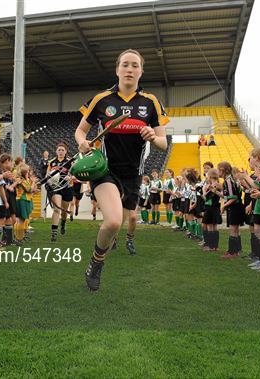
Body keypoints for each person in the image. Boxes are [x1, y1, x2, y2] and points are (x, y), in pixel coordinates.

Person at [75, 48, 168, 291]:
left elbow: (162, 143)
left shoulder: (150, 102)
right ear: (117, 69)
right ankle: (96, 264)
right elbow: (81, 130)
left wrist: (151, 136)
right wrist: (82, 143)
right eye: (125, 64)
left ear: (141, 72)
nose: (129, 69)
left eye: (134, 65)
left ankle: (101, 255)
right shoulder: (101, 99)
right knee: (114, 222)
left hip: (133, 175)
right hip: (105, 171)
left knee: (123, 221)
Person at [46, 142, 74, 242]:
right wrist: (50, 180)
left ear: (66, 151)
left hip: (67, 188)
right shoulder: (52, 162)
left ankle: (63, 222)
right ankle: (54, 233)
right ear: (56, 151)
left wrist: (70, 177)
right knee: (57, 209)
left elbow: (76, 174)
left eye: (62, 150)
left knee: (64, 212)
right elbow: (47, 176)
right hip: (56, 189)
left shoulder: (71, 161)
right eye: (59, 150)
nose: (61, 152)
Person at [218, 161, 245, 258]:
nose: (217, 172)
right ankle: (236, 251)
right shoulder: (229, 180)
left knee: (233, 230)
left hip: (235, 208)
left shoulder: (228, 181)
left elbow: (233, 198)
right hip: (236, 207)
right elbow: (228, 196)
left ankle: (232, 252)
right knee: (236, 230)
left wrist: (224, 206)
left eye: (218, 170)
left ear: (222, 170)